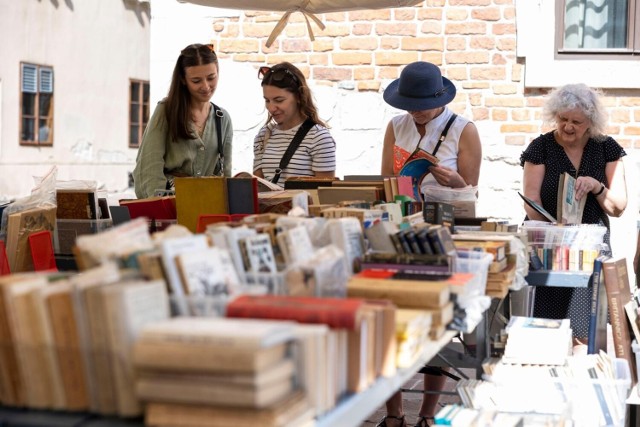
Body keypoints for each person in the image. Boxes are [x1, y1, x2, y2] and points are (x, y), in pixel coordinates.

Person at [378, 61, 482, 427]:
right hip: (404, 227)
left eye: (422, 103)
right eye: (410, 103)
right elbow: (386, 181)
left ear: (440, 97)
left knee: (436, 319)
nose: (416, 110)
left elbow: (470, 189)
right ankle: (393, 414)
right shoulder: (397, 125)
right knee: (389, 317)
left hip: (445, 229)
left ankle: (426, 414)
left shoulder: (462, 129)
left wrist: (452, 179)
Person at [521, 83, 627, 341]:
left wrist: (597, 187)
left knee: (586, 329)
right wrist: (556, 229)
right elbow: (530, 201)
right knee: (544, 326)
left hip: (590, 249)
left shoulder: (607, 148)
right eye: (563, 119)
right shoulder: (540, 147)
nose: (568, 126)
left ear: (590, 122)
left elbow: (618, 207)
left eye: (576, 122)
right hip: (547, 246)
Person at [133, 43, 233, 199]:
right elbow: (149, 165)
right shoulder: (166, 110)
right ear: (183, 80)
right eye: (196, 80)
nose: (206, 86)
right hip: (169, 203)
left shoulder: (222, 119)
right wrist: (161, 205)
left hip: (205, 204)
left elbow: (225, 176)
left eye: (211, 78)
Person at [253, 62, 336, 184]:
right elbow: (258, 187)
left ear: (298, 96)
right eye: (267, 100)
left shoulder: (319, 137)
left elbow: (325, 194)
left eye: (279, 100)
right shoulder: (264, 134)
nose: (271, 108)